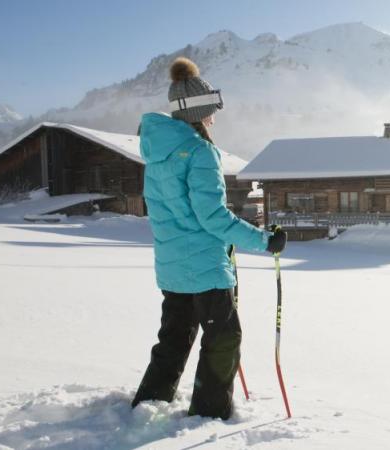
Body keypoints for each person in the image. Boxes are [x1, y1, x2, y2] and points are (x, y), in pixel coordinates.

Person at [131, 57, 287, 419]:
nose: (214, 118)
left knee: (173, 339)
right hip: (204, 267)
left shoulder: (157, 153)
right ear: (196, 113)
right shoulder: (200, 152)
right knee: (224, 339)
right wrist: (265, 240)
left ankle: (149, 402)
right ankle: (208, 412)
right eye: (211, 111)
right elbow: (213, 217)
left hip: (172, 267)